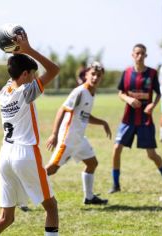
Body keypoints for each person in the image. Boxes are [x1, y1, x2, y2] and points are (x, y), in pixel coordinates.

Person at [0, 31, 60, 236]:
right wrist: (28, 49)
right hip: (25, 153)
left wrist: (16, 51)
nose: (35, 78)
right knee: (51, 207)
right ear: (25, 75)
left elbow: (14, 67)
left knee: (5, 218)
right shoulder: (25, 92)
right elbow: (54, 69)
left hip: (5, 155)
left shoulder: (4, 92)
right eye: (33, 74)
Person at [109, 43, 162, 194]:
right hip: (128, 119)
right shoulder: (126, 73)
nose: (139, 56)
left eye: (142, 53)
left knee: (151, 154)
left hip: (145, 120)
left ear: (146, 56)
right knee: (116, 148)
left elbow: (159, 93)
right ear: (132, 55)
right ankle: (115, 185)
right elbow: (120, 92)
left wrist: (152, 105)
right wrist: (128, 99)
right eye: (137, 53)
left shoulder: (152, 73)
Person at [45, 61, 111, 205]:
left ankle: (89, 197)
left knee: (92, 163)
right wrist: (54, 134)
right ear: (86, 74)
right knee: (51, 170)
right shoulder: (80, 91)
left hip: (79, 139)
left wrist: (103, 123)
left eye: (98, 75)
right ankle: (22, 192)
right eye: (93, 74)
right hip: (67, 139)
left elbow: (84, 116)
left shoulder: (92, 93)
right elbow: (62, 109)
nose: (95, 77)